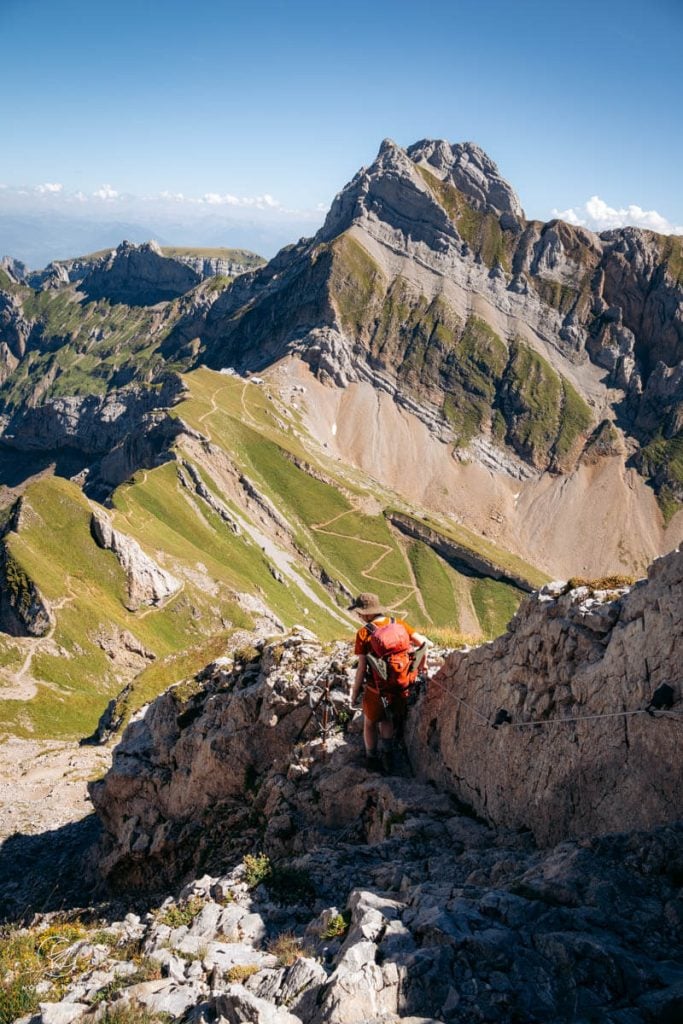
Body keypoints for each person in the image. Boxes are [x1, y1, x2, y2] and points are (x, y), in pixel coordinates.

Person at [348, 592, 429, 773]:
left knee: (370, 722)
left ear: (367, 613)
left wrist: (354, 693)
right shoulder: (398, 624)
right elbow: (423, 643)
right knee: (387, 719)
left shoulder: (363, 633)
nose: (359, 616)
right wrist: (422, 667)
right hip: (400, 685)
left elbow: (362, 668)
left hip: (376, 689)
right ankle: (389, 757)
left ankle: (372, 760)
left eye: (360, 613)